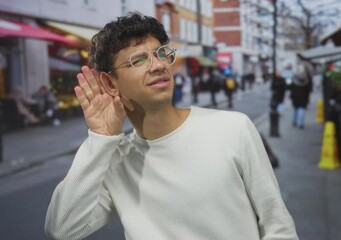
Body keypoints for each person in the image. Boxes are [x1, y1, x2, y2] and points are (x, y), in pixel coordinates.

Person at [45, 12, 298, 240]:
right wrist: (100, 137)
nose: (158, 65)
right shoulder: (114, 160)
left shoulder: (233, 128)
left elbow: (279, 227)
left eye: (161, 53)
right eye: (138, 59)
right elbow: (62, 229)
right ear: (110, 84)